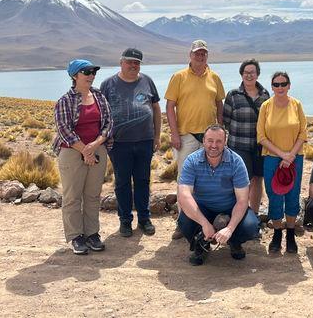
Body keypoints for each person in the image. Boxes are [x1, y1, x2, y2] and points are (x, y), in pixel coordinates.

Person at [165, 39, 225, 239]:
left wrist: (221, 130)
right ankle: (183, 223)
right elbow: (170, 106)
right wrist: (174, 133)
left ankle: (206, 220)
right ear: (190, 55)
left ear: (207, 56)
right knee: (185, 181)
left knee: (209, 179)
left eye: (203, 54)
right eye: (197, 53)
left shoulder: (214, 77)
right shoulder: (179, 77)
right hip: (186, 136)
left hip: (210, 138)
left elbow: (219, 105)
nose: (200, 56)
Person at [176, 124, 259, 265]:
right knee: (184, 222)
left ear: (225, 142)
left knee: (251, 226)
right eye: (210, 140)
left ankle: (234, 241)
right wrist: (204, 223)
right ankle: (202, 244)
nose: (214, 145)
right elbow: (184, 196)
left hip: (229, 208)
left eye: (219, 141)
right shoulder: (192, 161)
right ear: (203, 141)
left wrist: (230, 228)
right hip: (202, 208)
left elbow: (242, 200)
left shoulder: (236, 162)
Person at [53, 59, 112, 255]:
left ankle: (92, 234)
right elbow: (64, 130)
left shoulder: (99, 97)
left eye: (93, 71)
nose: (91, 75)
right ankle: (75, 236)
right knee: (72, 197)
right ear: (74, 76)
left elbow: (108, 124)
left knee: (93, 195)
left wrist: (95, 145)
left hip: (97, 149)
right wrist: (85, 150)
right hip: (72, 151)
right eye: (86, 71)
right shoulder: (65, 101)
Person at [100, 48, 161, 237]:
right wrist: (104, 137)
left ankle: (144, 219)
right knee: (122, 182)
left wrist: (157, 136)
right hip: (119, 143)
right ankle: (125, 220)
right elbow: (100, 113)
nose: (133, 66)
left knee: (143, 181)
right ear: (121, 62)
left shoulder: (147, 81)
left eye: (137, 63)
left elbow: (156, 108)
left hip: (145, 141)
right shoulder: (108, 84)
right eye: (130, 62)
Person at [257, 71, 307, 254]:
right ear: (271, 87)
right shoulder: (266, 107)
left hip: (295, 157)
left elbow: (303, 133)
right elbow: (261, 136)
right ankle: (277, 233)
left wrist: (290, 155)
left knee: (293, 195)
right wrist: (282, 155)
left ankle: (291, 234)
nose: (280, 87)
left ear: (289, 85)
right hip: (272, 158)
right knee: (274, 195)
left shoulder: (296, 105)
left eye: (283, 84)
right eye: (276, 84)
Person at [223, 59, 270, 215]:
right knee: (242, 181)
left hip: (259, 146)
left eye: (252, 72)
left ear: (257, 74)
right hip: (238, 146)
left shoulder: (265, 95)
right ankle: (239, 214)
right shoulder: (233, 95)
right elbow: (226, 121)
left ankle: (254, 214)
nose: (249, 75)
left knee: (258, 179)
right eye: (246, 72)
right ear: (241, 75)